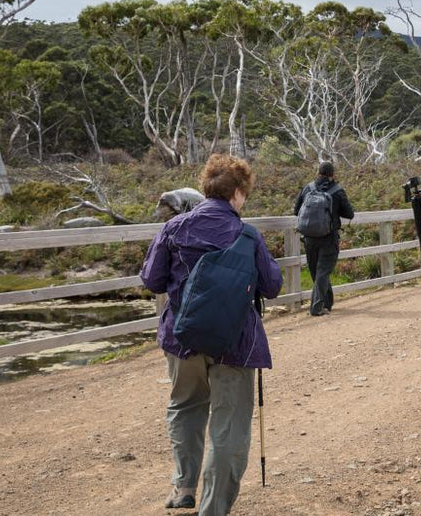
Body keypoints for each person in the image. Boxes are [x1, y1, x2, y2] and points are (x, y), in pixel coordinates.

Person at [141, 154, 282, 515]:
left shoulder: (173, 228)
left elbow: (152, 280)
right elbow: (272, 285)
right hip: (234, 343)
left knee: (185, 406)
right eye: (244, 193)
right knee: (229, 422)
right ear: (237, 193)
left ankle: (184, 487)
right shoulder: (247, 234)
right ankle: (213, 508)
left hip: (181, 337)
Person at [292, 161, 355, 316]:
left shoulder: (308, 188)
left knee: (316, 272)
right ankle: (316, 307)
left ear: (318, 172)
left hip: (309, 237)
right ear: (332, 175)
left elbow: (296, 211)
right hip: (329, 237)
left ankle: (327, 302)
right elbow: (349, 214)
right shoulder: (338, 190)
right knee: (323, 272)